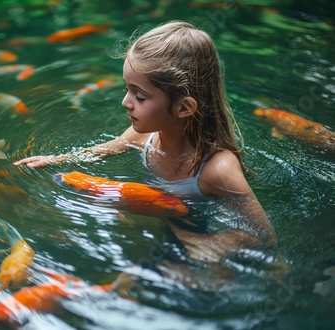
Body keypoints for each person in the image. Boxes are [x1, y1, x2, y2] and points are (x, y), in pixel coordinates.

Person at [14, 21, 277, 258]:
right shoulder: (143, 136)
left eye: (139, 96)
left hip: (201, 238)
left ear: (184, 108)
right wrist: (57, 159)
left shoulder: (217, 170)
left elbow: (264, 236)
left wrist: (213, 243)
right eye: (127, 89)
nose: (125, 102)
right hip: (163, 226)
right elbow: (101, 150)